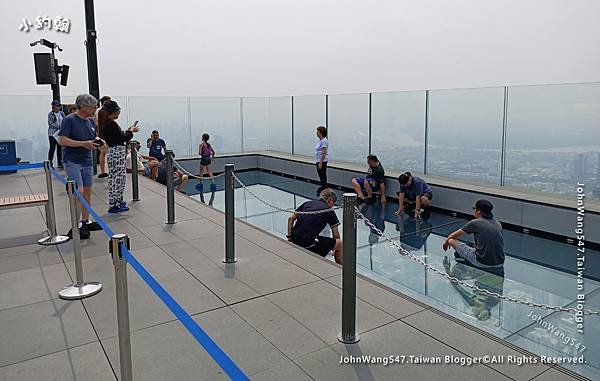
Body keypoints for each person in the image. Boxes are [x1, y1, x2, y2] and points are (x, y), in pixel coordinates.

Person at [57, 94, 103, 239]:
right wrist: (83, 144)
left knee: (87, 191)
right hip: (72, 160)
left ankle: (86, 221)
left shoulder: (90, 121)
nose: (95, 109)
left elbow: (91, 138)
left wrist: (98, 143)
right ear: (83, 106)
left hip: (86, 160)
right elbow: (62, 140)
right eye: (93, 106)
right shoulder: (69, 120)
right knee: (79, 192)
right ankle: (76, 225)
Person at [99, 100, 140, 213]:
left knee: (114, 177)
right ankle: (115, 203)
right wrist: (131, 131)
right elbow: (122, 138)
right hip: (117, 152)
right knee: (118, 177)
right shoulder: (111, 124)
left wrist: (128, 131)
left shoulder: (106, 124)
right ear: (112, 113)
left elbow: (119, 136)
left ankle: (116, 200)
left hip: (113, 152)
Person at [442, 199, 505, 269]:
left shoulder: (475, 223)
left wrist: (446, 242)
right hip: (500, 262)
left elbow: (453, 236)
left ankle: (456, 268)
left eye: (474, 209)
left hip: (482, 262)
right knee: (471, 245)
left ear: (478, 212)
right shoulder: (498, 223)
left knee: (451, 240)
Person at [287, 189, 343, 264]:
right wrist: (335, 249)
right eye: (333, 203)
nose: (333, 206)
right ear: (330, 200)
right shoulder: (329, 210)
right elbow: (336, 234)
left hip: (294, 239)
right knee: (341, 244)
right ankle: (340, 267)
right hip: (308, 244)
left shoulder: (307, 203)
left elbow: (291, 219)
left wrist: (290, 237)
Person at [96, 96, 112, 178]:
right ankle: (103, 171)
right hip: (102, 135)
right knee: (104, 152)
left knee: (105, 152)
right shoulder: (99, 111)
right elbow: (97, 123)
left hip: (105, 134)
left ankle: (105, 170)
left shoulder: (103, 111)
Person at [47, 100, 65, 168]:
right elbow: (50, 123)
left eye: (59, 105)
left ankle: (60, 162)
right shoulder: (50, 114)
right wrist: (59, 127)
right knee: (52, 148)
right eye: (57, 106)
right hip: (52, 134)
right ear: (53, 107)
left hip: (60, 133)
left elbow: (65, 120)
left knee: (60, 148)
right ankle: (50, 162)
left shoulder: (62, 113)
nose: (58, 107)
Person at [315, 126, 329, 194]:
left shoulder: (324, 141)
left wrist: (321, 162)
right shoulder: (321, 141)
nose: (316, 133)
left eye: (318, 132)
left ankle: (324, 188)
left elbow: (324, 152)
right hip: (319, 160)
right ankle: (323, 187)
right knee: (321, 175)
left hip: (322, 161)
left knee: (322, 175)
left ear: (321, 133)